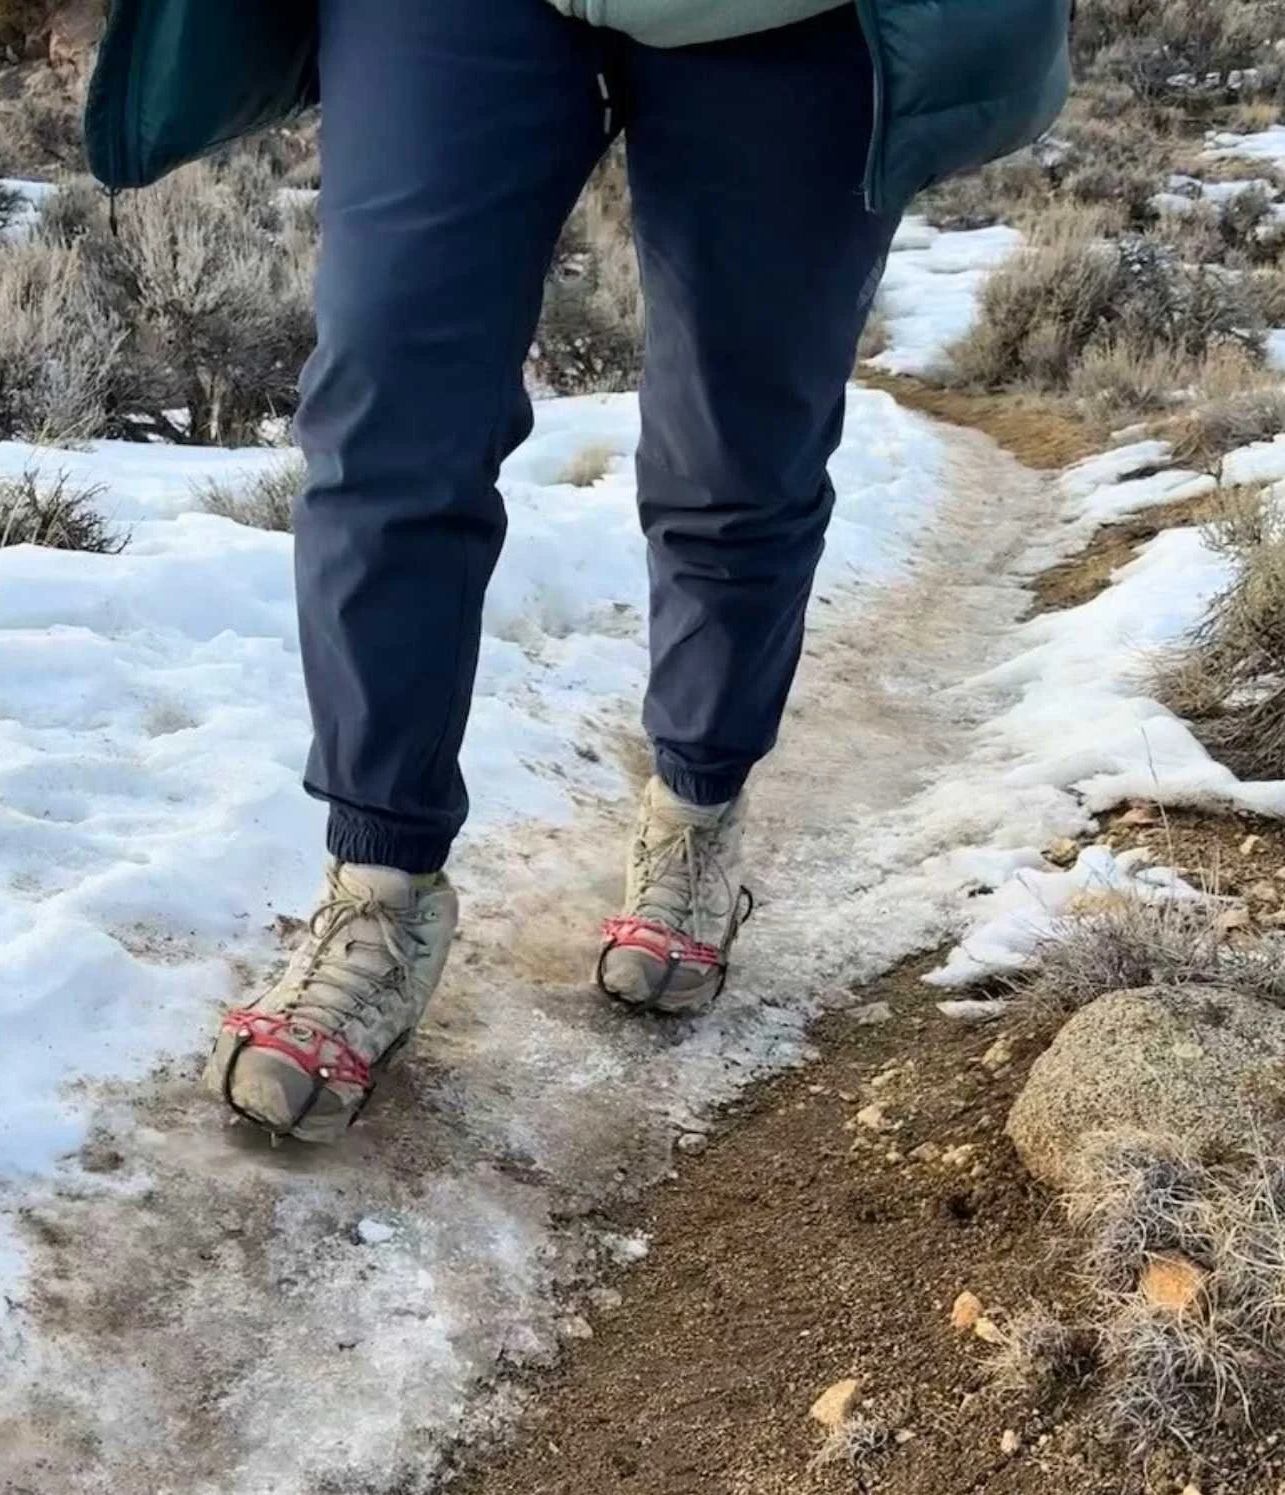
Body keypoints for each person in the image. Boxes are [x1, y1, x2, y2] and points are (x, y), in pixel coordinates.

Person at [86, 0, 1072, 1144]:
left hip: (787, 19)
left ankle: (697, 809)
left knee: (738, 449)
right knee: (388, 420)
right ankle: (378, 891)